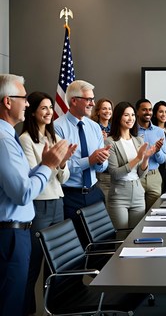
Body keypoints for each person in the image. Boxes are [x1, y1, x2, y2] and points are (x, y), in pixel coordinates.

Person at [0, 74, 68, 316]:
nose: (27, 104)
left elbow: (24, 179)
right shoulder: (7, 139)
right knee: (12, 301)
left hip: (18, 228)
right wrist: (48, 165)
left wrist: (51, 166)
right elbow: (22, 192)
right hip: (11, 231)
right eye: (24, 99)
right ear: (8, 101)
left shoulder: (7, 136)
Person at [20, 91, 76, 316]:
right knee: (34, 264)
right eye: (43, 108)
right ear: (32, 112)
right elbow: (35, 178)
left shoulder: (53, 138)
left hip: (57, 203)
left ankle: (52, 309)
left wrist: (61, 164)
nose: (48, 112)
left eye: (50, 108)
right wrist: (53, 164)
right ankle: (27, 310)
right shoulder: (25, 139)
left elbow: (64, 177)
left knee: (55, 263)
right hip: (39, 206)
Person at [54, 80, 111, 242]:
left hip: (94, 194)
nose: (93, 103)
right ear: (74, 100)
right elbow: (60, 167)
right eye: (88, 99)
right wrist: (90, 160)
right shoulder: (57, 127)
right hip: (70, 197)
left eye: (93, 99)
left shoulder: (94, 127)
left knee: (101, 244)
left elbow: (102, 167)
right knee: (75, 246)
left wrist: (100, 161)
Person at [105, 102, 154, 234]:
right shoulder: (110, 141)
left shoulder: (139, 140)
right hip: (119, 195)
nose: (131, 118)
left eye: (132, 115)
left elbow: (141, 174)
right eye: (126, 115)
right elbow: (115, 173)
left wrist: (146, 158)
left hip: (138, 192)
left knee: (136, 236)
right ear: (118, 118)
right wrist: (138, 158)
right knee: (122, 237)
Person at [135, 99, 166, 210]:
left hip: (154, 177)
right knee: (137, 215)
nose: (148, 112)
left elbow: (163, 160)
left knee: (154, 213)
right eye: (144, 110)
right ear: (137, 112)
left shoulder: (159, 131)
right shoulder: (131, 131)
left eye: (150, 110)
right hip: (137, 176)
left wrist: (157, 151)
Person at [91, 98, 114, 205]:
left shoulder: (115, 128)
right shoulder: (93, 128)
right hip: (102, 174)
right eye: (104, 109)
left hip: (115, 173)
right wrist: (102, 141)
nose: (107, 111)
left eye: (109, 109)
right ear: (98, 111)